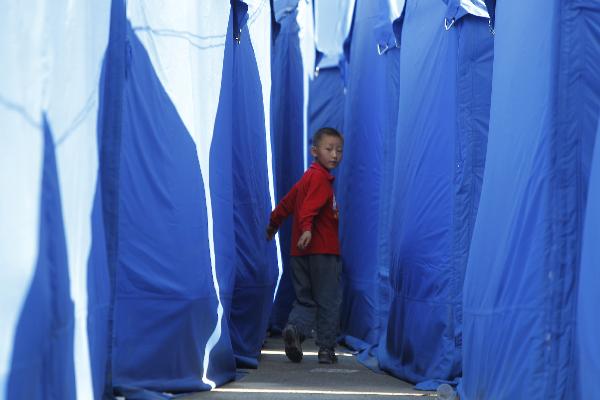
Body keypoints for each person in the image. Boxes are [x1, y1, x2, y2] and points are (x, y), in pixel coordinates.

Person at [266, 127, 343, 364]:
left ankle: (294, 329)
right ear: (314, 151)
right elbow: (309, 208)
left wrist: (272, 225)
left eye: (339, 150)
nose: (334, 155)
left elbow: (286, 204)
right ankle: (326, 350)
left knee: (304, 299)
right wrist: (308, 228)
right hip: (323, 252)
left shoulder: (306, 178)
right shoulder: (320, 179)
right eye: (328, 149)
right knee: (328, 300)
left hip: (299, 254)